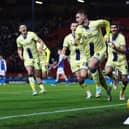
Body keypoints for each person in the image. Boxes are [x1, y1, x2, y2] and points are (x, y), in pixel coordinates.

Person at [75, 9, 112, 101]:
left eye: (78, 17)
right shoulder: (79, 29)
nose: (77, 20)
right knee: (97, 74)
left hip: (101, 50)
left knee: (91, 66)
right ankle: (107, 89)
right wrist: (77, 41)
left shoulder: (96, 23)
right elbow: (77, 40)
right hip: (89, 55)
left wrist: (107, 34)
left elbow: (107, 23)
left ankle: (97, 86)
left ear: (84, 17)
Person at [62, 22, 92, 98]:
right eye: (73, 26)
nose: (74, 27)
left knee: (83, 75)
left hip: (83, 57)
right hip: (73, 60)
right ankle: (88, 92)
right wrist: (63, 54)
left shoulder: (83, 36)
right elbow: (64, 49)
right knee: (79, 79)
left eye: (76, 26)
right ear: (70, 28)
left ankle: (91, 73)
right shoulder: (67, 38)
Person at [16, 24, 46, 96]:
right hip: (27, 58)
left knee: (38, 74)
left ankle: (42, 88)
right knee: (30, 72)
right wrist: (20, 55)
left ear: (26, 28)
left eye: (24, 27)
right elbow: (19, 49)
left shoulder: (32, 34)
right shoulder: (18, 39)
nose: (23, 28)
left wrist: (41, 48)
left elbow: (40, 41)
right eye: (21, 28)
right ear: (19, 30)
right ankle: (34, 90)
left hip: (35, 57)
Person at [105, 23, 128, 100]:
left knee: (125, 80)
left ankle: (122, 93)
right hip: (111, 59)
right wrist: (104, 52)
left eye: (115, 28)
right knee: (107, 72)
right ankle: (115, 79)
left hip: (121, 60)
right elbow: (103, 44)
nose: (113, 29)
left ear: (118, 29)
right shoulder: (107, 36)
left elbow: (124, 50)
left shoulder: (121, 37)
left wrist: (115, 47)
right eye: (112, 28)